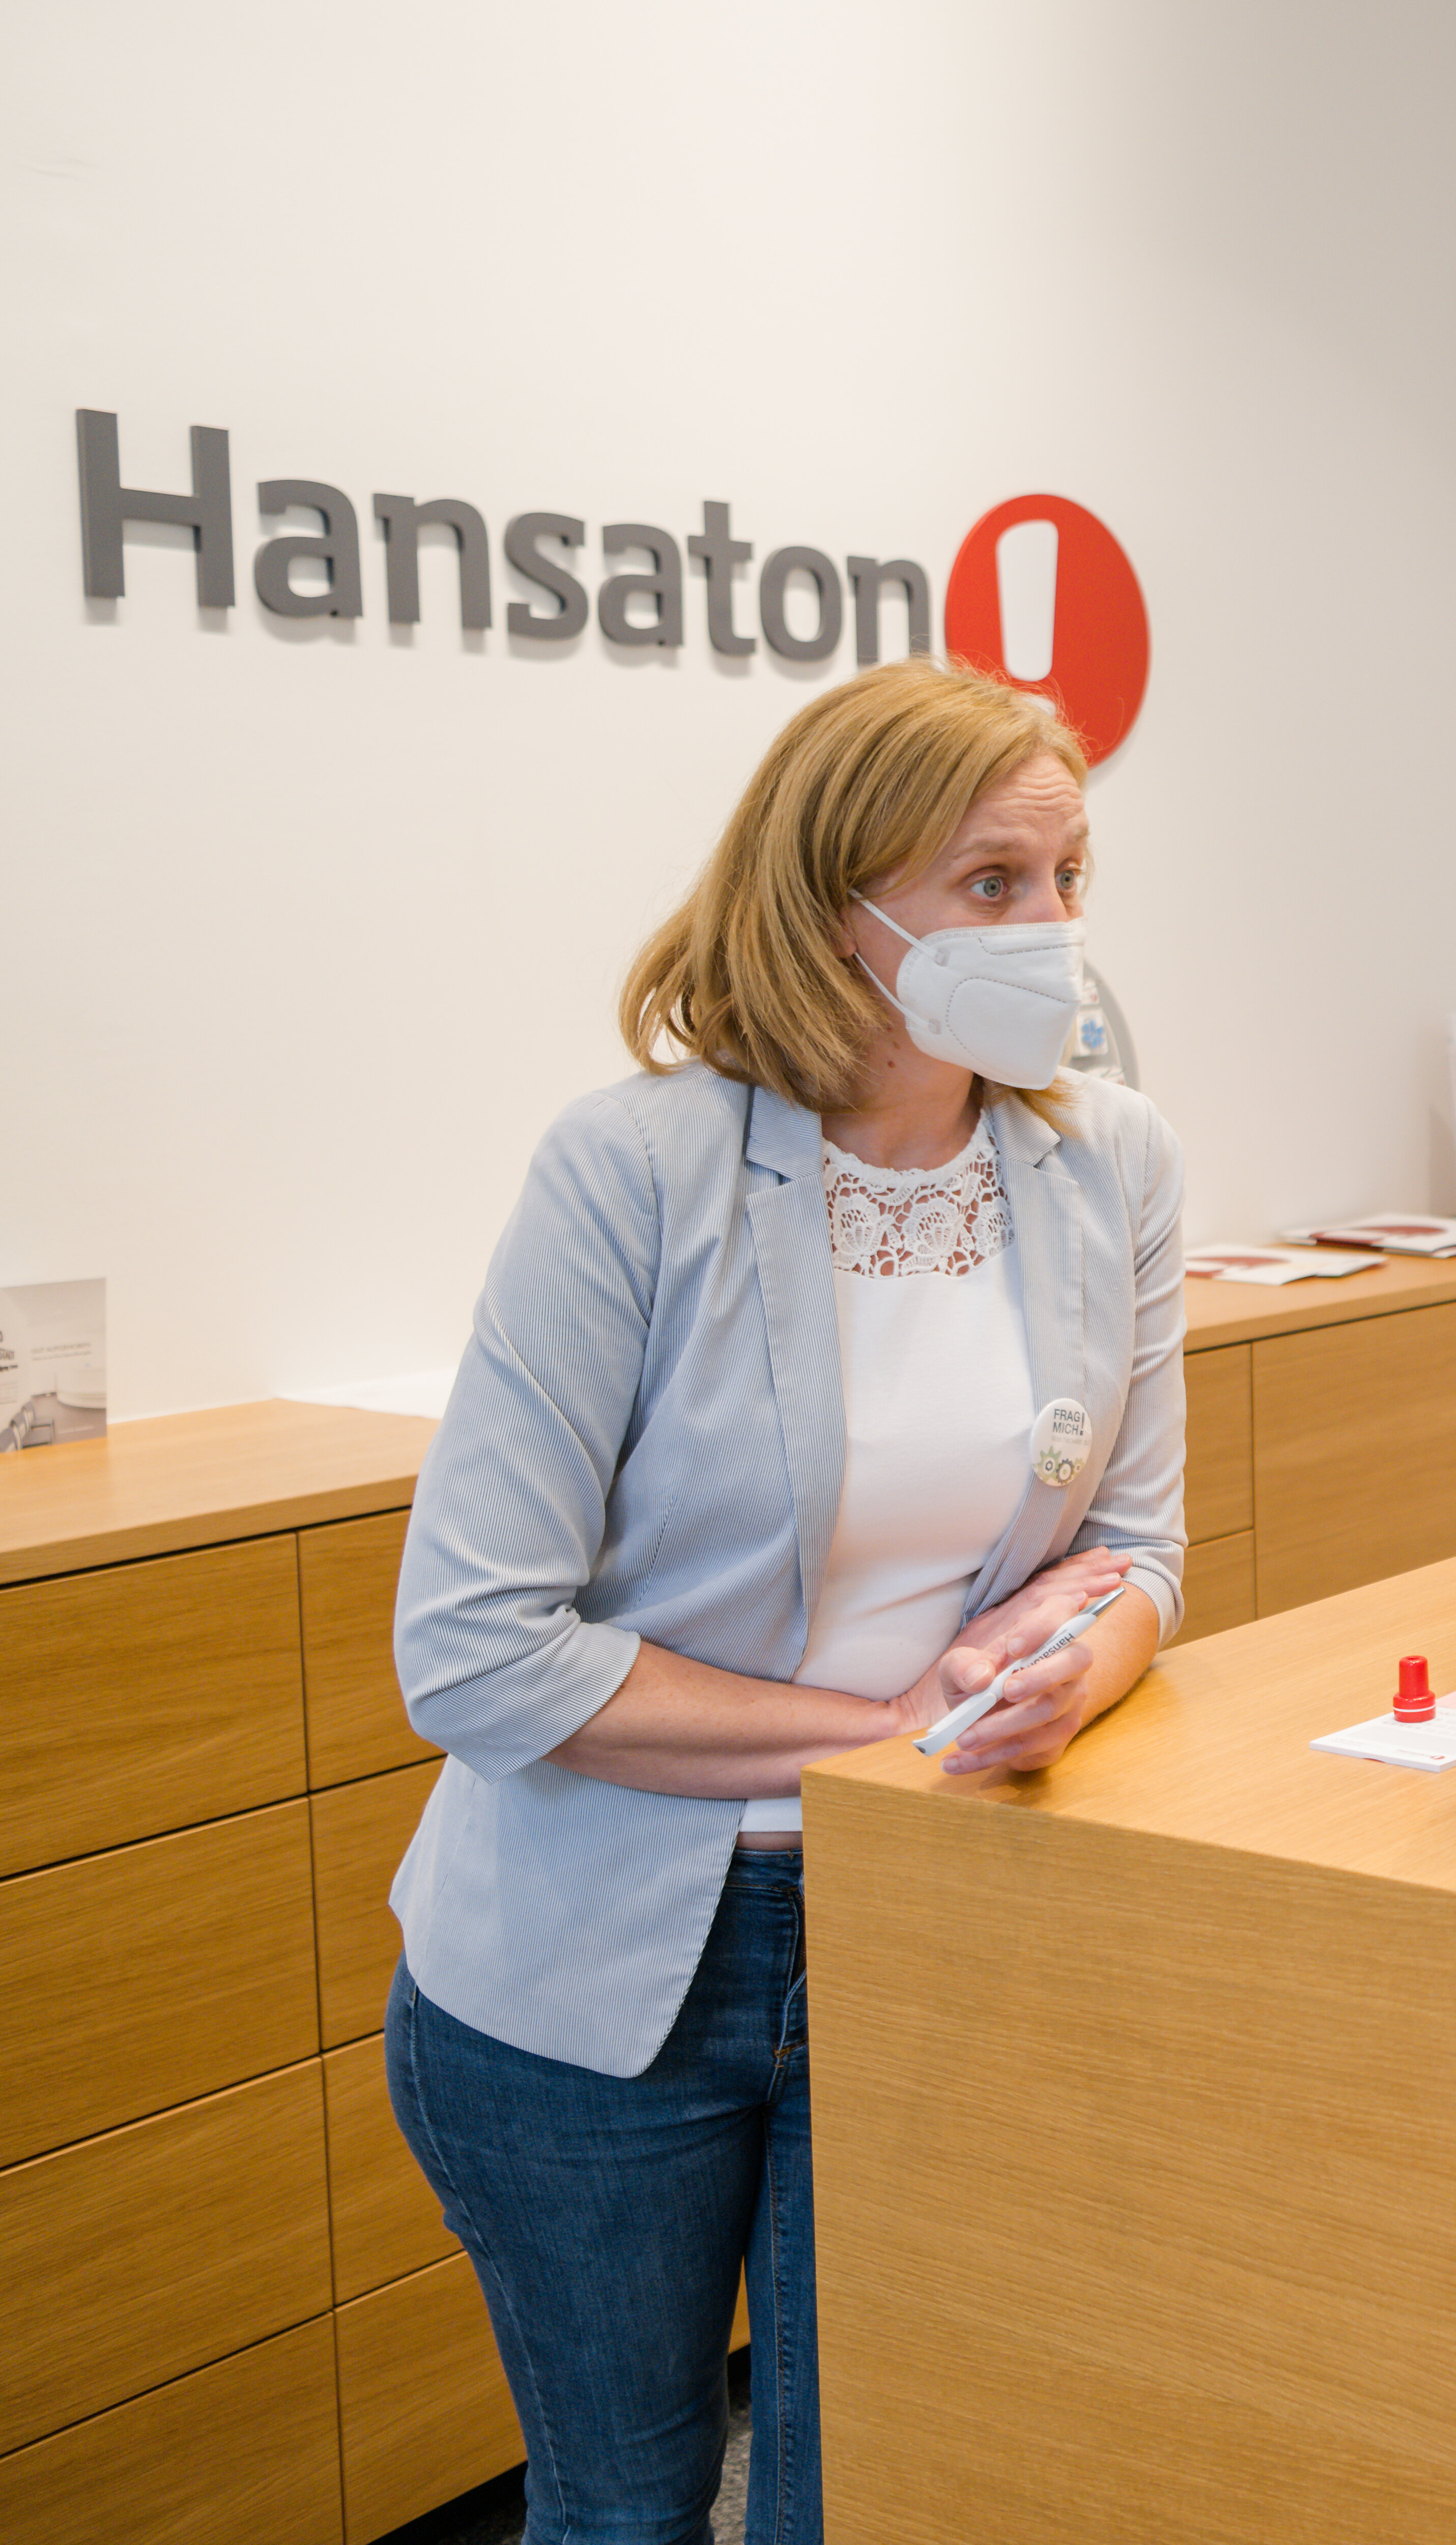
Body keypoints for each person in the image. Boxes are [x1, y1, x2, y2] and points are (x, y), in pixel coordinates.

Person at [383, 659, 1186, 2543]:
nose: (1051, 927)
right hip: (594, 1968)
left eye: (1068, 877)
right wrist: (886, 1727)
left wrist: (1071, 1667)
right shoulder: (631, 1171)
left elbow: (1136, 1549)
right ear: (839, 906)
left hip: (919, 1924)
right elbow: (476, 1650)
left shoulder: (1110, 1162)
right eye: (992, 882)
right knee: (626, 2507)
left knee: (869, 2494)